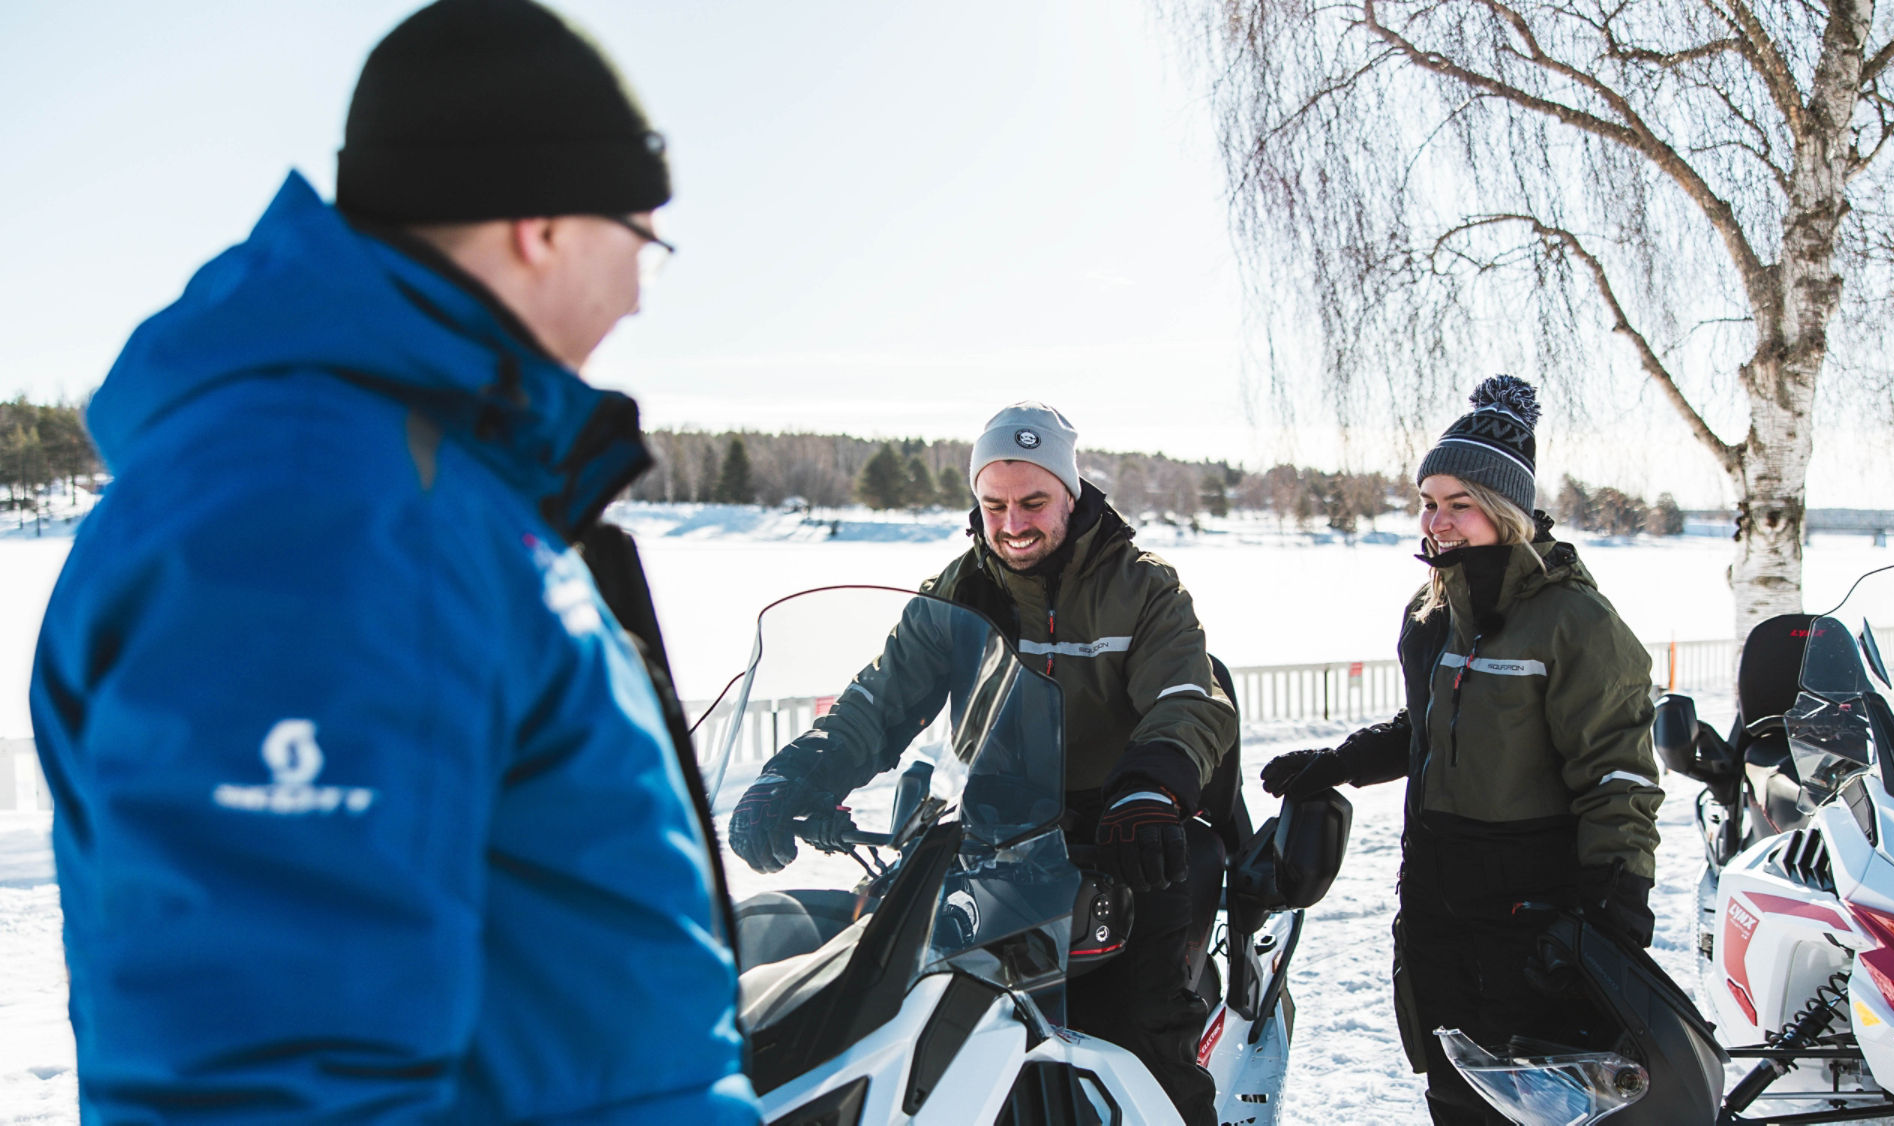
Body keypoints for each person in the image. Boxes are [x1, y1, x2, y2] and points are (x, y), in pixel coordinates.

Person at [28, 1, 757, 1120]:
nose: (642, 289)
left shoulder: (417, 482)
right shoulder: (320, 505)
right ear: (541, 224)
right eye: (642, 239)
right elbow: (270, 1071)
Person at [729, 402, 1237, 1126]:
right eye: (993, 504)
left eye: (1033, 501)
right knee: (901, 1002)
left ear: (1071, 493)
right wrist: (798, 773)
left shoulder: (1142, 587)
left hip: (1123, 833)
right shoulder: (958, 591)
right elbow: (881, 699)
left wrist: (1150, 791)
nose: (1012, 523)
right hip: (993, 834)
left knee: (1142, 1020)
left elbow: (1188, 696)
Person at [1261, 376, 1663, 1126]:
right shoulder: (1436, 607)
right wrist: (1345, 760)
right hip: (1438, 891)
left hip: (1533, 906)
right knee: (1453, 1083)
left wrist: (1613, 904)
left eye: (1460, 504)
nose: (1436, 521)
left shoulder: (1573, 621)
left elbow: (1619, 775)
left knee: (1537, 1096)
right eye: (1428, 501)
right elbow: (1436, 727)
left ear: (1506, 512)